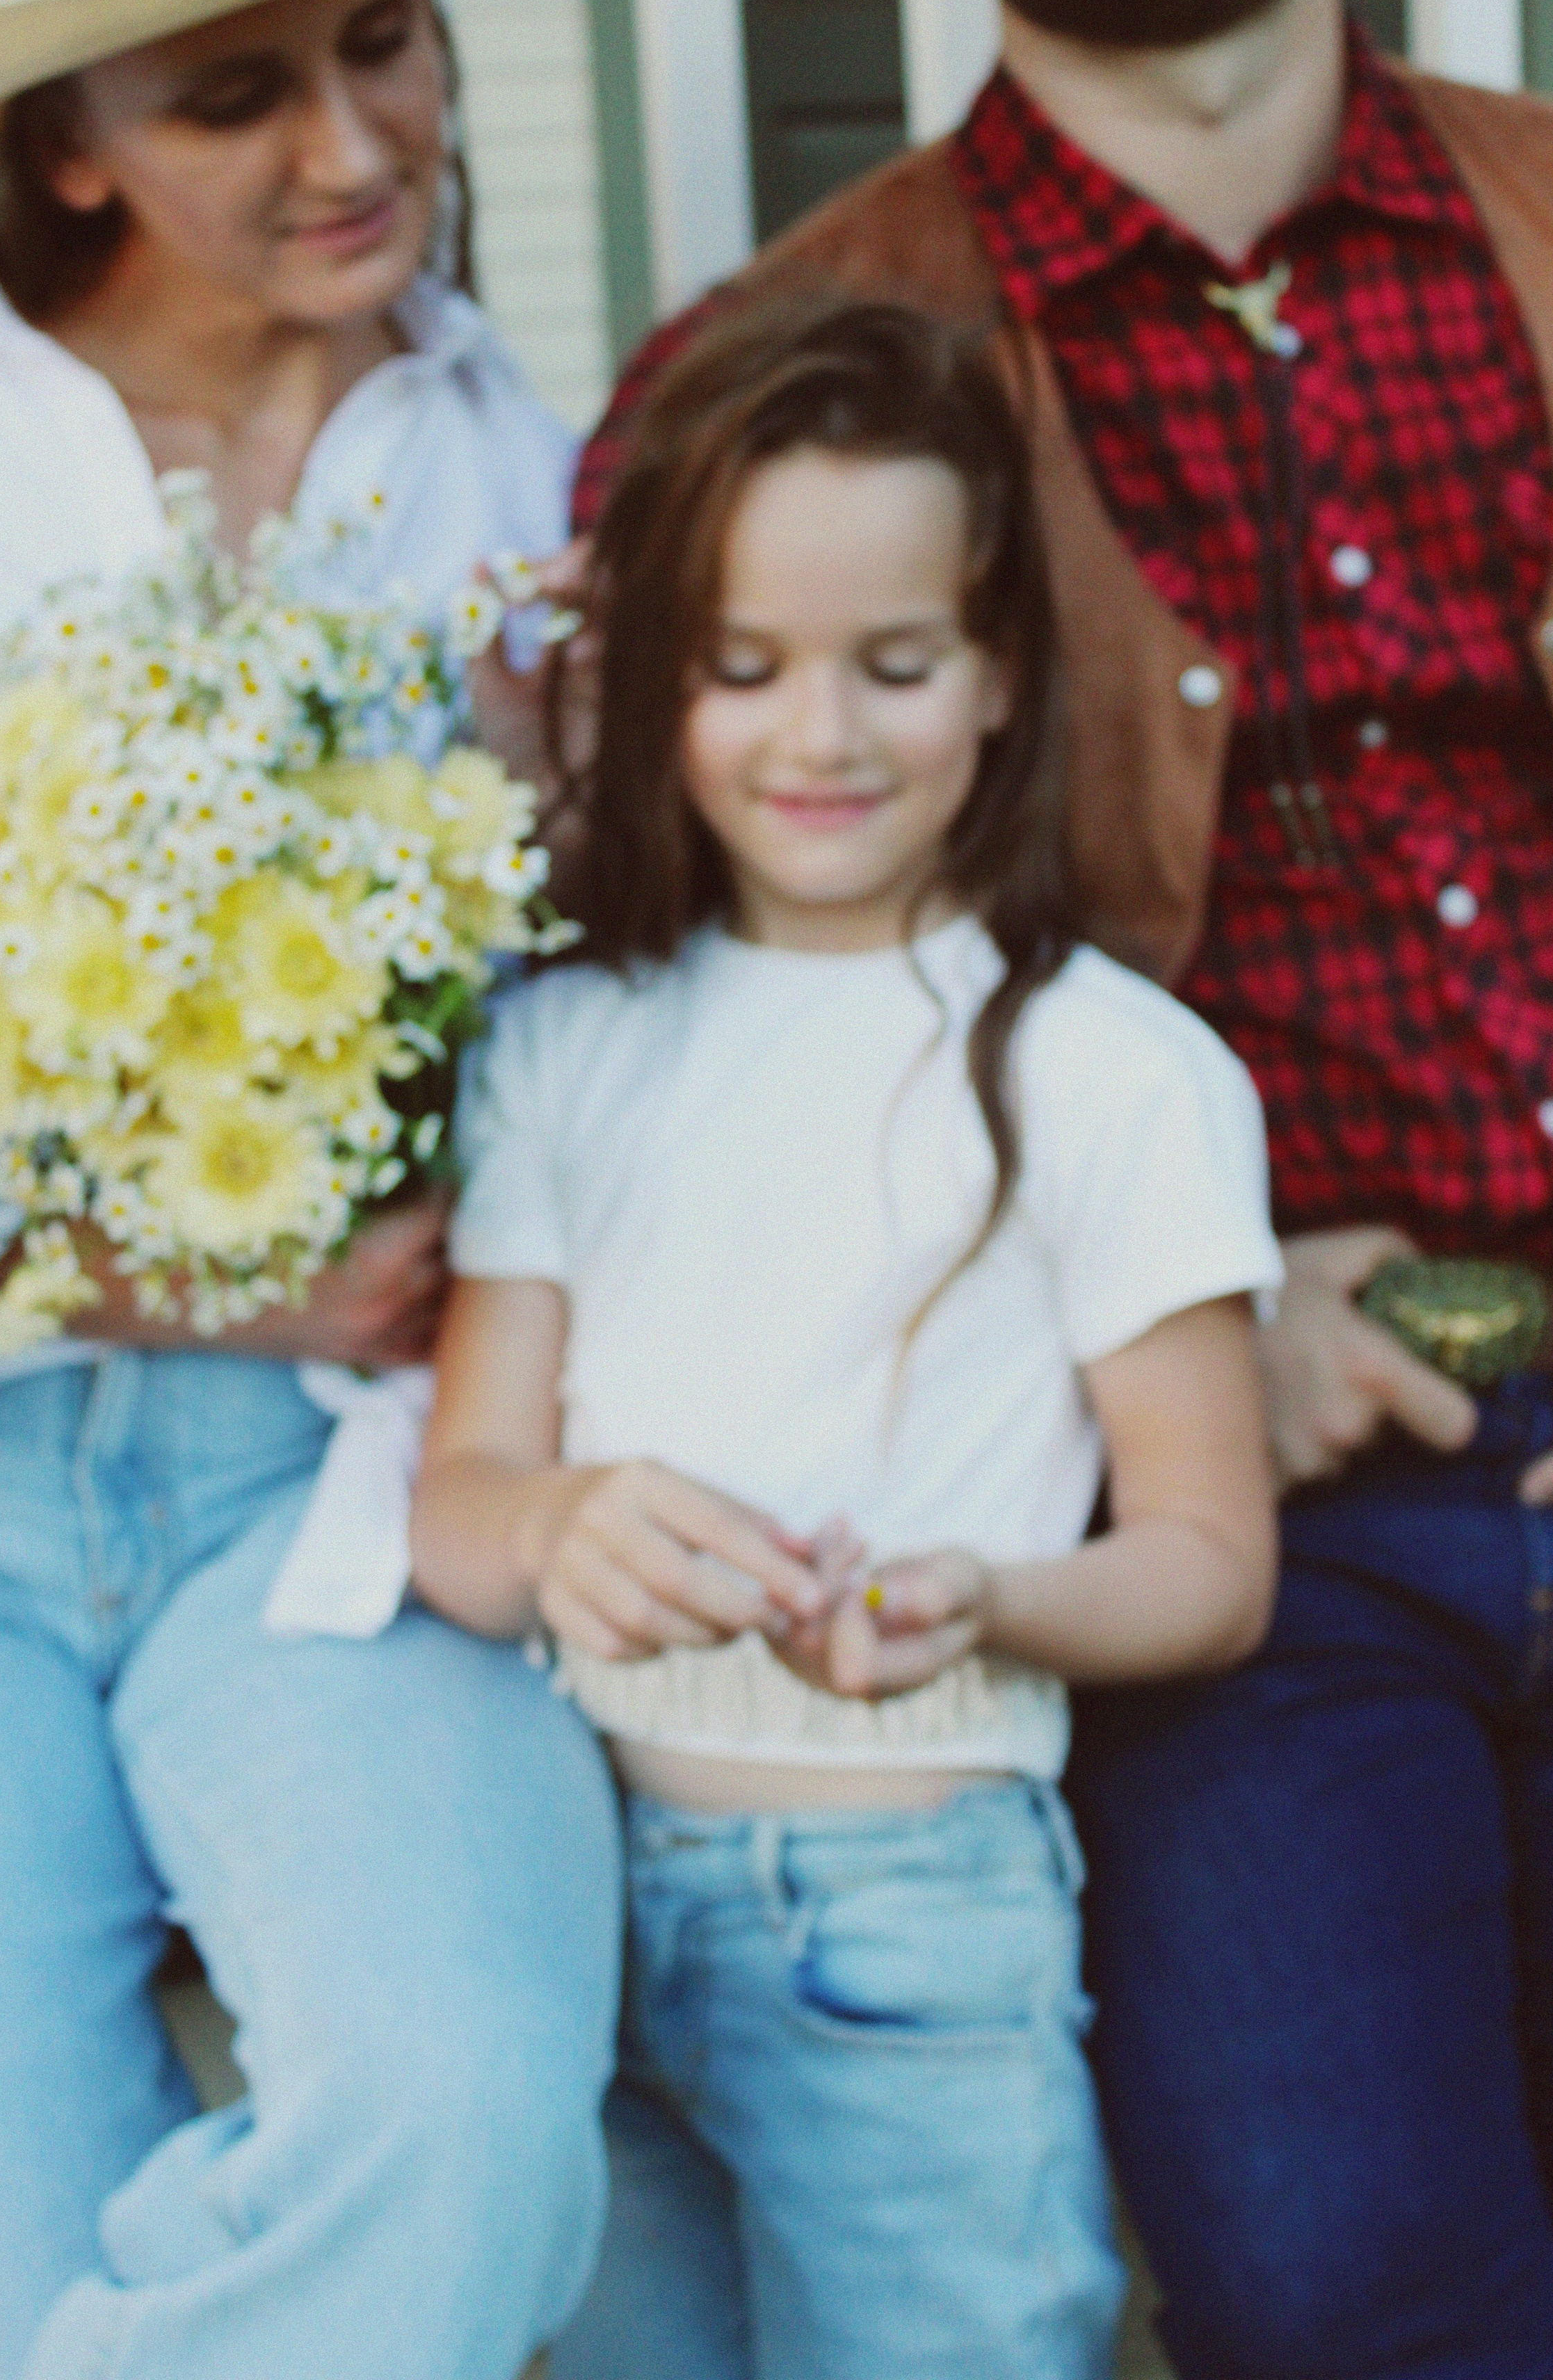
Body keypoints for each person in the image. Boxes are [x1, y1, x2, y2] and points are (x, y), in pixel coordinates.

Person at [568, 0, 1553, 2375]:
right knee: (1342, 2274)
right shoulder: (790, 386)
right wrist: (1146, 1310)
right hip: (1234, 1541)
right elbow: (649, 1029)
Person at [0, 0, 620, 2377]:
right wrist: (107, 1264)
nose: (352, 143)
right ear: (68, 143)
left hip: (336, 1492)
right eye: (233, 93)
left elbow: (593, 1029)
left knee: (472, 2117)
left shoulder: (514, 462)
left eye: (387, 36)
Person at [410, 298, 1282, 2380]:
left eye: (894, 667)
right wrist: (564, 1527)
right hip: (578, 1895)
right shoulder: (567, 1044)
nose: (820, 738)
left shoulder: (1115, 1074)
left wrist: (989, 1593)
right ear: (656, 683)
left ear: (997, 679)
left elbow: (1212, 1564)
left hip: (919, 1916)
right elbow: (458, 1507)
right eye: (742, 670)